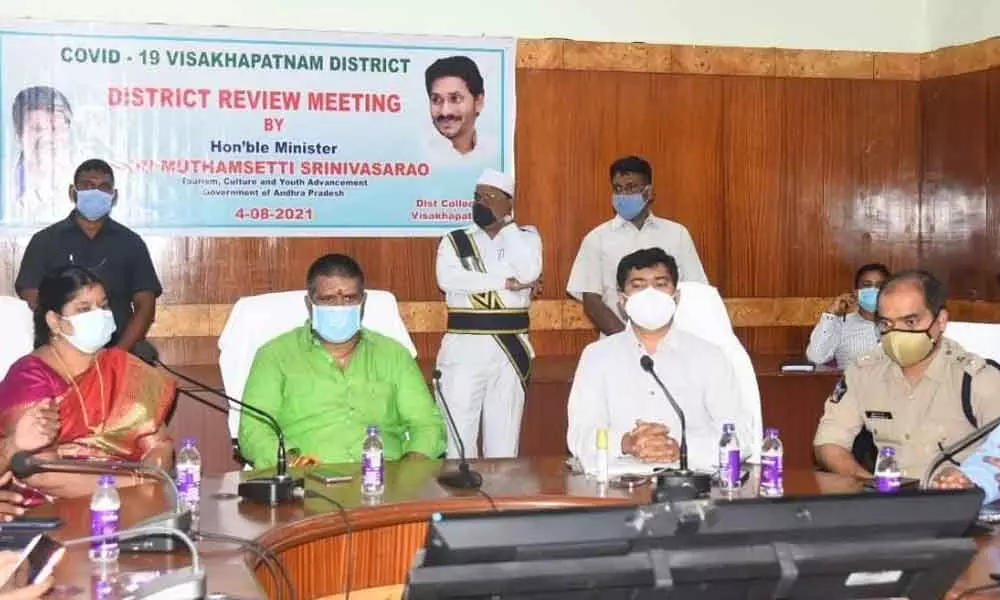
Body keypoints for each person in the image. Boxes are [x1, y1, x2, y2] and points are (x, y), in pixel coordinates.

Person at [239, 254, 446, 467]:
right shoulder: (275, 356)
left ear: (363, 302)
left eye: (349, 298)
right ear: (309, 303)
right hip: (306, 485)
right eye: (328, 299)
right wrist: (293, 464)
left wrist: (408, 470)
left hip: (384, 482)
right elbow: (253, 431)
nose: (339, 307)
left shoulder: (393, 355)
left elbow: (427, 425)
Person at [0, 266, 176, 499]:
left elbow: (159, 444)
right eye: (84, 309)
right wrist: (136, 482)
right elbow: (41, 473)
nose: (100, 315)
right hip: (54, 510)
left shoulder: (121, 367)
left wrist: (147, 481)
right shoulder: (30, 377)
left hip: (132, 501)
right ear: (54, 321)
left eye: (103, 306)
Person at [566, 248, 746, 472]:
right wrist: (627, 443)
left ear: (676, 297)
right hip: (618, 488)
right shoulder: (596, 357)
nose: (650, 294)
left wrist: (679, 449)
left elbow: (740, 435)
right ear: (622, 300)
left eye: (660, 284)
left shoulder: (710, 357)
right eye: (638, 286)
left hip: (692, 486)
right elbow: (580, 436)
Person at [813, 269, 1000, 480]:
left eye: (910, 322)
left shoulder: (977, 379)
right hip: (887, 503)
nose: (897, 335)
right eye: (886, 324)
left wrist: (970, 480)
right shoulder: (863, 373)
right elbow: (829, 441)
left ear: (941, 321)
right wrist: (870, 486)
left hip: (957, 505)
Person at [435, 169, 542, 459]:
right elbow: (451, 280)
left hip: (510, 349)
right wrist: (506, 283)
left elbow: (530, 272)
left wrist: (507, 227)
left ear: (508, 203)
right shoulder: (455, 240)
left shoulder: (527, 238)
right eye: (476, 196)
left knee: (504, 447)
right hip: (464, 347)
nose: (480, 202)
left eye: (489, 197)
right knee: (457, 441)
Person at [14, 159, 162, 353]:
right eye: (87, 186)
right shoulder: (45, 241)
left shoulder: (131, 243)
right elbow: (32, 295)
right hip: (61, 351)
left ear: (113, 196)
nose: (96, 192)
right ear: (72, 192)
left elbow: (146, 304)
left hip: (120, 349)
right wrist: (69, 345)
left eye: (104, 187)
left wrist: (118, 354)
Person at [567, 156, 708, 336]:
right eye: (618, 189)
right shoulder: (597, 238)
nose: (623, 195)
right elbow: (591, 300)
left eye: (631, 188)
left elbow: (695, 292)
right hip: (616, 344)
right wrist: (627, 341)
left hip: (672, 341)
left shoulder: (677, 234)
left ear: (649, 193)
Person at [8, 86, 73, 225]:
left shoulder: (83, 182)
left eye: (54, 128)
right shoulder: (6, 185)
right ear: (19, 135)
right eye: (37, 129)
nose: (46, 136)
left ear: (67, 131)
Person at [805, 263, 889, 368]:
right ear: (856, 291)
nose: (873, 290)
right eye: (867, 285)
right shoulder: (841, 324)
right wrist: (831, 313)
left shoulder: (900, 325)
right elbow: (816, 358)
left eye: (880, 286)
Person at [424, 56, 497, 161]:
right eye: (436, 100)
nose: (445, 111)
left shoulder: (494, 150)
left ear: (478, 102)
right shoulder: (425, 155)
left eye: (455, 99)